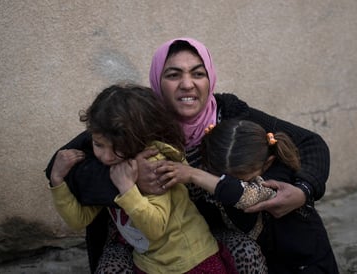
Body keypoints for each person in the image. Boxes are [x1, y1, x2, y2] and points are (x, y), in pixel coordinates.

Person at [45, 37, 330, 273]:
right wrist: (130, 178)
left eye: (198, 73)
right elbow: (59, 165)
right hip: (147, 245)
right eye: (173, 74)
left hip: (206, 240)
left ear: (210, 78)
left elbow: (310, 143)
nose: (187, 84)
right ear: (157, 80)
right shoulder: (135, 121)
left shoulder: (230, 114)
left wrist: (303, 190)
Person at [49, 84, 237, 273]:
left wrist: (128, 189)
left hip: (191, 260)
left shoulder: (153, 165)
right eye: (98, 144)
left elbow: (156, 228)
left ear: (139, 138)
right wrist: (58, 181)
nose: (106, 156)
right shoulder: (112, 169)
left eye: (118, 148)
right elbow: (79, 219)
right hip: (150, 264)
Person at [165, 119, 339, 273]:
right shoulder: (217, 183)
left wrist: (194, 175)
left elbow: (244, 195)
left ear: (267, 164)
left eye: (241, 179)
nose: (227, 183)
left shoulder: (277, 178)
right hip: (272, 261)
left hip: (307, 261)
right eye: (221, 177)